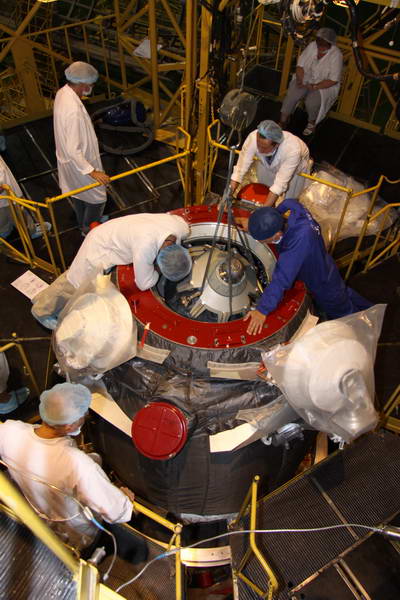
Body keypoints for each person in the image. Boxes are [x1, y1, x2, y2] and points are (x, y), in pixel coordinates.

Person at [0, 382, 135, 551]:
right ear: (69, 426)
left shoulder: (9, 430)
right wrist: (125, 499)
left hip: (38, 511)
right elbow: (116, 511)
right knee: (81, 545)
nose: (85, 415)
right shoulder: (79, 465)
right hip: (77, 529)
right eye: (83, 414)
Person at [31, 212, 192, 329]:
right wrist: (156, 271)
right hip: (99, 247)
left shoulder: (180, 228)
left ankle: (43, 297)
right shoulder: (145, 247)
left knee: (78, 280)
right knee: (74, 282)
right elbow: (144, 283)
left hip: (115, 231)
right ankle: (41, 310)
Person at [242, 200, 373, 335]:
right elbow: (288, 202)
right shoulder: (299, 213)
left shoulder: (296, 243)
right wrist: (262, 222)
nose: (263, 242)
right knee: (343, 292)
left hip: (322, 283)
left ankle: (365, 331)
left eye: (264, 240)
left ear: (277, 235)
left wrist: (262, 310)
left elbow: (281, 279)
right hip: (327, 266)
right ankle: (371, 311)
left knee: (342, 310)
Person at [53, 61, 110, 233]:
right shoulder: (73, 111)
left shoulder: (63, 92)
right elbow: (73, 149)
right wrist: (92, 171)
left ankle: (83, 222)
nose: (91, 88)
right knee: (98, 198)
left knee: (78, 192)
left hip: (69, 162)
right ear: (83, 84)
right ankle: (88, 228)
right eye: (91, 84)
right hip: (81, 163)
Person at [230, 120, 310, 208]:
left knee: (289, 201)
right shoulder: (253, 138)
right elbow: (239, 169)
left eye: (264, 147)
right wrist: (228, 196)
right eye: (258, 145)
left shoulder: (292, 150)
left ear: (276, 145)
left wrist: (262, 213)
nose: (259, 150)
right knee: (263, 192)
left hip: (296, 171)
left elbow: (279, 185)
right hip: (266, 164)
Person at [280, 28, 343, 136]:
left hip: (325, 84)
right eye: (319, 44)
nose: (320, 47)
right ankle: (283, 120)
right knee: (292, 94)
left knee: (311, 102)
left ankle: (311, 123)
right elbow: (300, 65)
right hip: (306, 77)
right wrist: (299, 80)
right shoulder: (312, 46)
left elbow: (333, 80)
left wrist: (315, 86)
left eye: (324, 45)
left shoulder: (337, 55)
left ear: (330, 44)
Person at [0, 155, 50, 240]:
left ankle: (4, 230)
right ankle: (31, 231)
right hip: (8, 196)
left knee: (3, 217)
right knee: (18, 212)